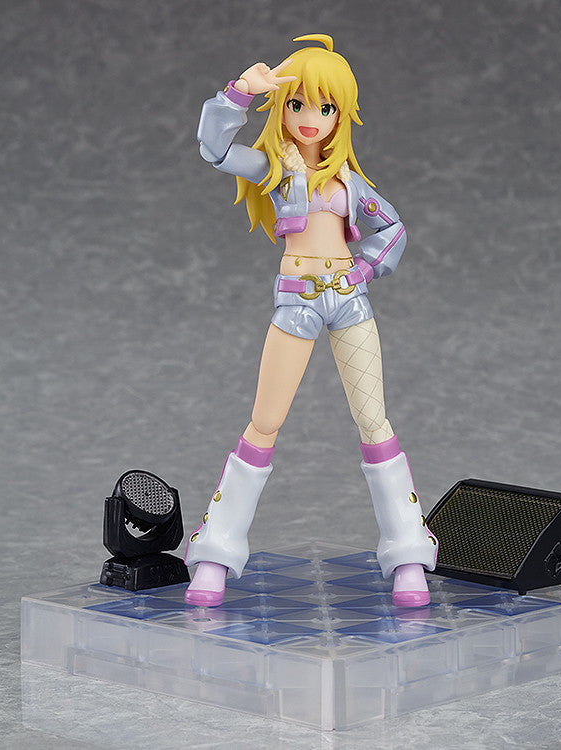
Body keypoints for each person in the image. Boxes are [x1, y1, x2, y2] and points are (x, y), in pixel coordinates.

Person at [184, 34, 438, 608]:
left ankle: (408, 553)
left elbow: (393, 229)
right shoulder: (274, 168)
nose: (309, 118)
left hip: (349, 301)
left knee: (374, 422)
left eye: (324, 107)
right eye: (297, 103)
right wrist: (239, 94)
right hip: (297, 300)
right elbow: (214, 150)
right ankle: (216, 550)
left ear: (339, 115)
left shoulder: (350, 183)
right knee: (264, 422)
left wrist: (364, 270)